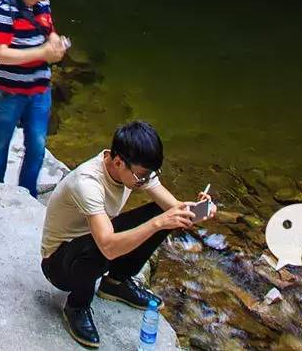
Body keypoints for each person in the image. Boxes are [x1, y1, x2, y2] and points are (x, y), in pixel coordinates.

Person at [40, 121, 212, 348]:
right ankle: (77, 305)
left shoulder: (134, 171)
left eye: (150, 175)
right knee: (103, 242)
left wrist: (199, 210)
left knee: (167, 214)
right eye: (141, 176)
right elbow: (108, 245)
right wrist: (158, 223)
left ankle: (115, 282)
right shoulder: (87, 183)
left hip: (93, 244)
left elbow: (175, 208)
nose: (145, 181)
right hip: (60, 264)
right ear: (118, 161)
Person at [0, 0, 68, 196]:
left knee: (38, 145)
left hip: (40, 90)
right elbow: (1, 55)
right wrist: (43, 53)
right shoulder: (3, 10)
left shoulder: (43, 4)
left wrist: (54, 42)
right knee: (1, 142)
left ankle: (27, 194)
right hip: (9, 91)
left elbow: (48, 30)